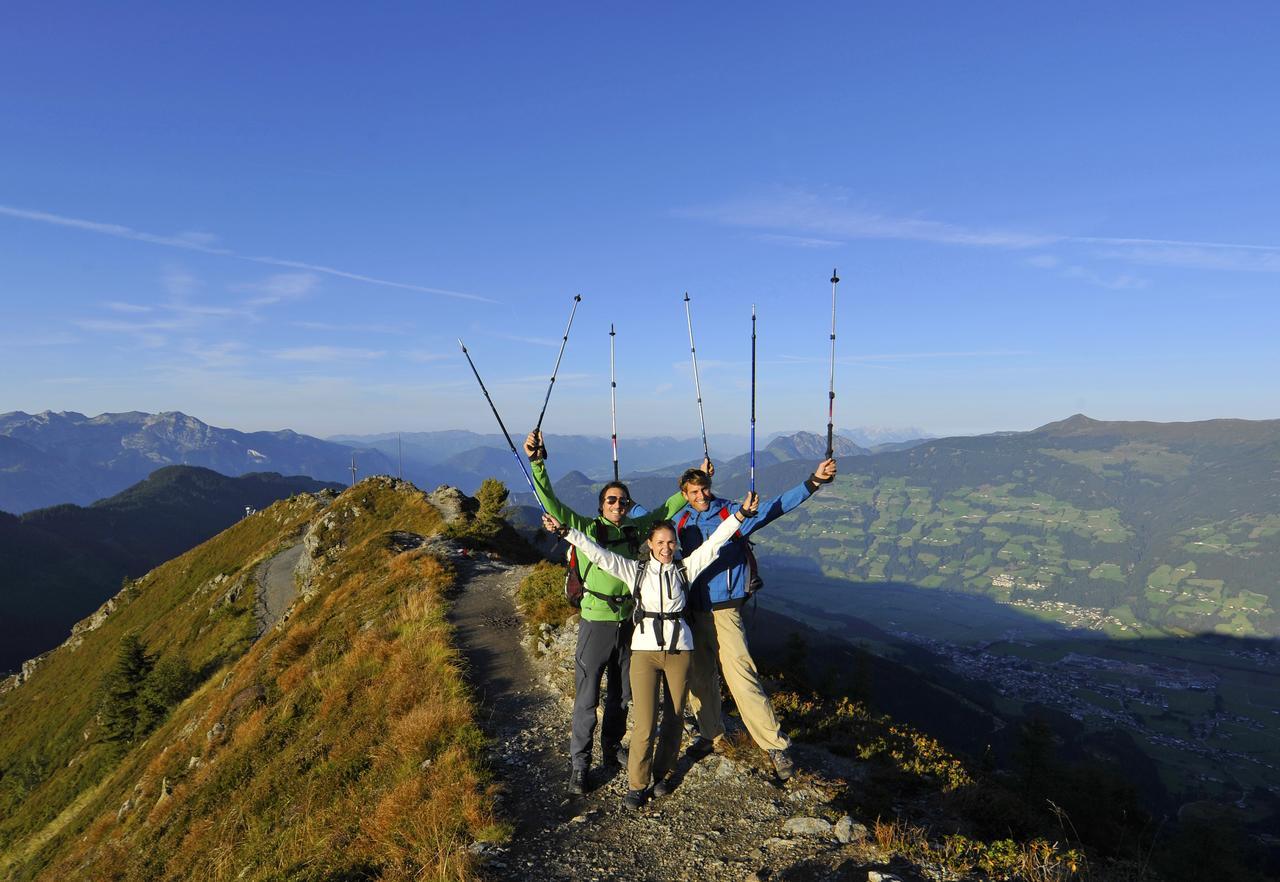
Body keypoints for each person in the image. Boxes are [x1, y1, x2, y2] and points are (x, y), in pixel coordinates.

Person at [542, 489, 760, 809]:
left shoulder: (686, 568)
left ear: (676, 544)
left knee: (672, 719)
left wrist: (740, 514)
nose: (666, 548)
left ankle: (661, 774)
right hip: (644, 653)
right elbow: (597, 552)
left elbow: (715, 543)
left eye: (670, 542)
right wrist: (566, 532)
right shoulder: (635, 570)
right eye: (659, 543)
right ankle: (637, 783)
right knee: (645, 723)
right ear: (650, 545)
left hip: (679, 652)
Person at [524, 428, 688, 796]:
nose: (618, 505)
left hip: (629, 624)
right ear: (601, 505)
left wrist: (690, 487)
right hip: (596, 621)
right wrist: (537, 463)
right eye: (611, 500)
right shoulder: (586, 527)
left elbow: (667, 511)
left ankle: (611, 749)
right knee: (587, 698)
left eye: (623, 501)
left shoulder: (636, 529)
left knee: (621, 695)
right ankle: (579, 765)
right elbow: (550, 503)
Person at [674, 456, 837, 780]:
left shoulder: (732, 512)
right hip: (692, 611)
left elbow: (777, 506)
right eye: (693, 492)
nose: (700, 496)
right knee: (699, 677)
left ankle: (775, 746)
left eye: (703, 489)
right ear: (685, 493)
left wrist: (813, 482)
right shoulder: (680, 521)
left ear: (709, 486)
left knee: (742, 677)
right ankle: (710, 734)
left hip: (724, 610)